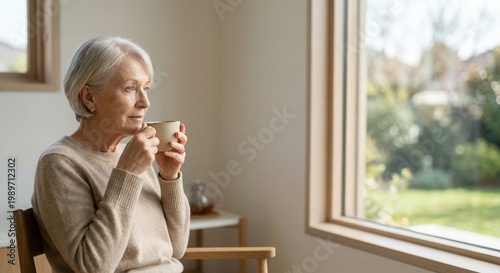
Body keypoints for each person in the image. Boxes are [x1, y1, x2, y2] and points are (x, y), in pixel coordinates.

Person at [31, 36, 190, 273]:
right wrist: (126, 173)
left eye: (145, 88)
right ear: (89, 97)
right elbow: (93, 266)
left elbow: (176, 248)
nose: (145, 102)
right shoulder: (59, 163)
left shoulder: (132, 155)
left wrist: (169, 178)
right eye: (130, 88)